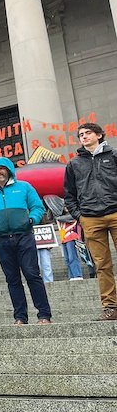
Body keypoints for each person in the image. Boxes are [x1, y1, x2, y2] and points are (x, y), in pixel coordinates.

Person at [0, 157, 52, 325]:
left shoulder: (24, 187)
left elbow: (37, 207)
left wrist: (32, 220)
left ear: (9, 170)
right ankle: (20, 317)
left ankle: (44, 314)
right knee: (12, 279)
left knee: (32, 274)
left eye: (2, 168)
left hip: (24, 237)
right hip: (1, 240)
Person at [64, 122, 117, 321]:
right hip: (90, 218)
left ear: (99, 135)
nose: (84, 137)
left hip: (115, 213)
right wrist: (80, 216)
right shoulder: (74, 164)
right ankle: (110, 308)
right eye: (81, 134)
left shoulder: (113, 156)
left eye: (88, 133)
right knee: (102, 265)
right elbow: (69, 194)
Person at [57, 214, 84, 281]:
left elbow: (62, 218)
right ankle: (71, 276)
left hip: (71, 237)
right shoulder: (59, 214)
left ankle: (77, 275)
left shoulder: (71, 214)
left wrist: (57, 216)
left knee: (72, 257)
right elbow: (50, 217)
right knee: (67, 259)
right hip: (63, 238)